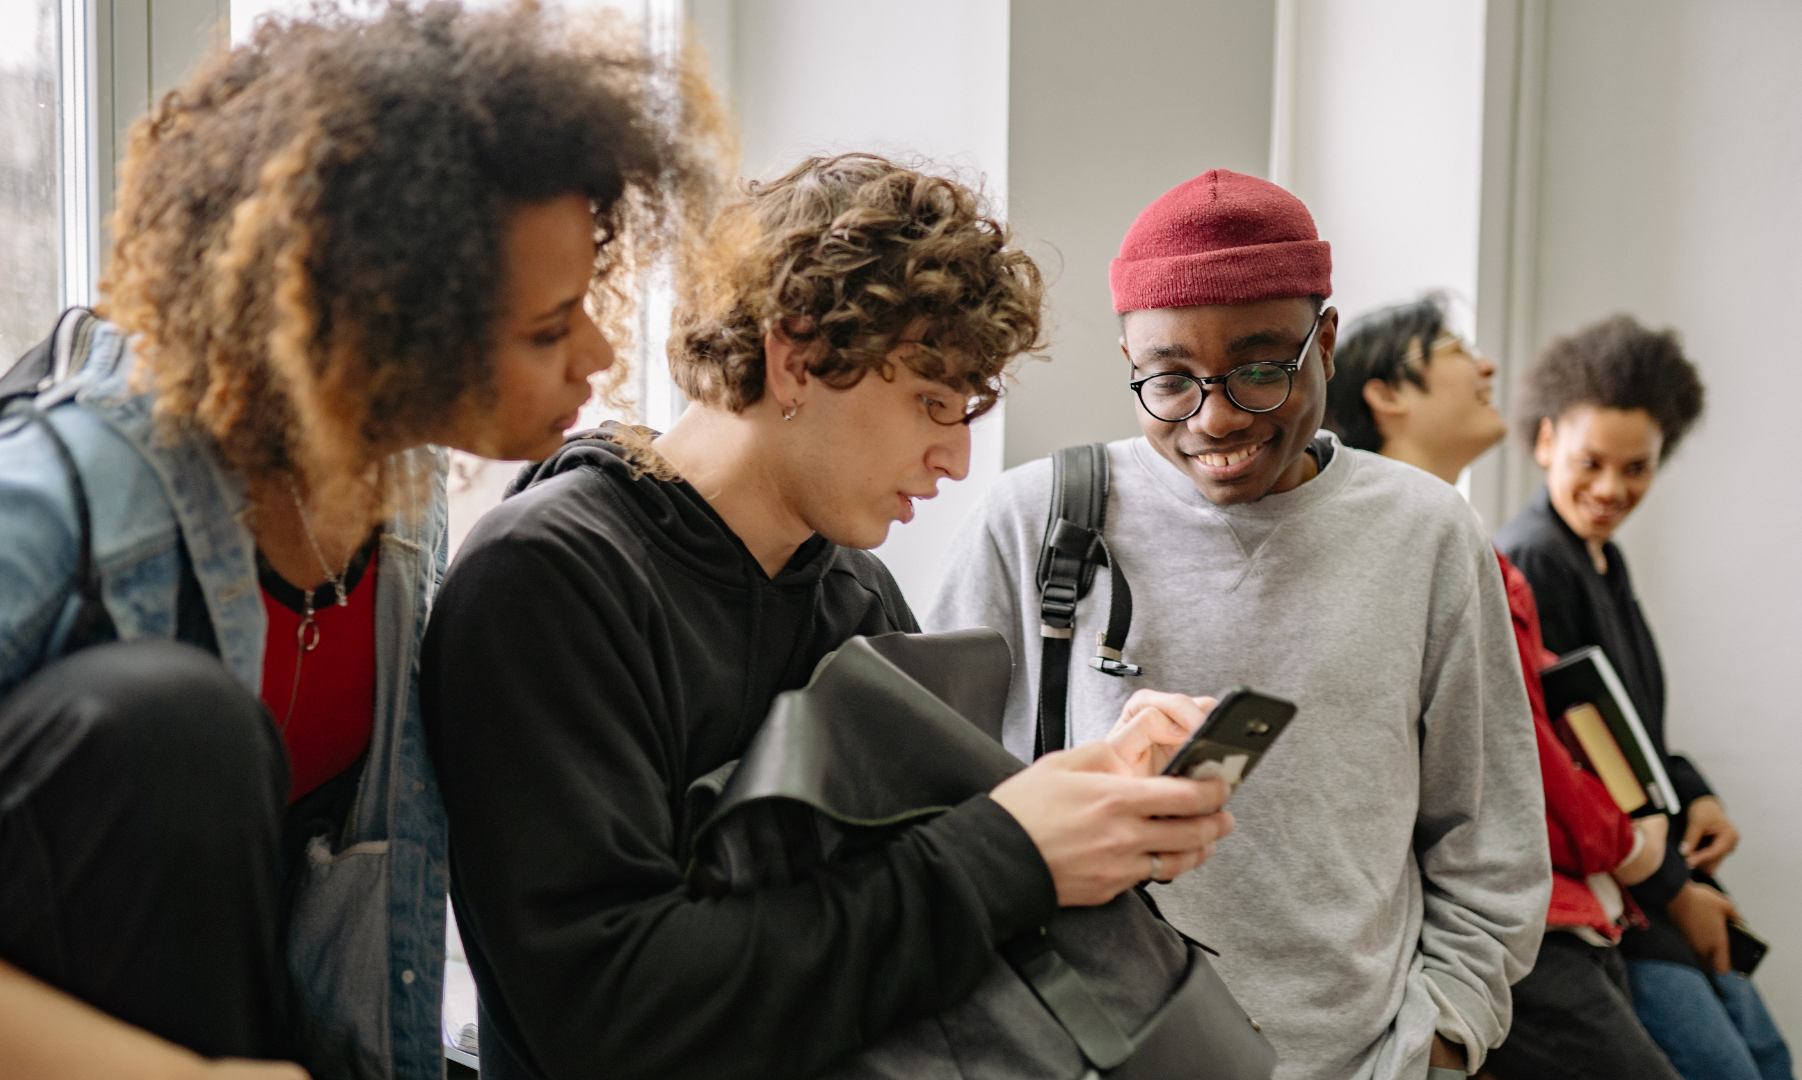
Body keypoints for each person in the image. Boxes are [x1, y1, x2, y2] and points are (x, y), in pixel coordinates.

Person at [0, 5, 714, 1078]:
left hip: (224, 1022)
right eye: (548, 329)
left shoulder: (395, 486)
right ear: (371, 326)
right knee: (170, 723)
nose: (597, 353)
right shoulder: (65, 485)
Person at [422, 154, 1239, 1080]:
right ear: (795, 356)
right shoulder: (546, 581)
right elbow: (613, 1011)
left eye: (967, 412)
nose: (957, 459)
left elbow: (910, 928)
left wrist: (1094, 812)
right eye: (932, 403)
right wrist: (1012, 851)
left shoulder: (854, 590)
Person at [927, 170, 1550, 1080]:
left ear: (1326, 344)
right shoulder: (1038, 519)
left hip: (1365, 1061)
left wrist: (1439, 1046)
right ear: (1130, 362)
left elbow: (1487, 833)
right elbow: (931, 815)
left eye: (1261, 369)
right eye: (1171, 381)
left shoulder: (1427, 532)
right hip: (1084, 1050)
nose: (1216, 418)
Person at [1325, 295, 1679, 1080]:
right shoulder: (1393, 550)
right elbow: (1520, 748)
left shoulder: (1462, 538)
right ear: (1385, 392)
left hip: (1530, 913)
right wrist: (1627, 847)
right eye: (1453, 346)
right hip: (1506, 921)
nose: (1487, 365)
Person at [1497, 314, 1793, 1080]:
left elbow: (1632, 729)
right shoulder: (1534, 560)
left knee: (1763, 1056)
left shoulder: (1601, 560)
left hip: (1659, 878)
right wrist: (1678, 891)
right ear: (1545, 443)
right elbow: (1576, 767)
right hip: (1619, 890)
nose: (1610, 489)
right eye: (1591, 462)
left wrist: (1696, 796)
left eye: (1637, 469)